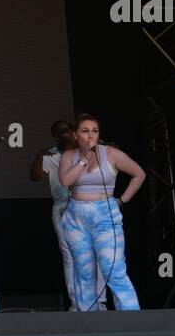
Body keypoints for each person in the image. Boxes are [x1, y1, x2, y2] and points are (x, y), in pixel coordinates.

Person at [57, 113, 146, 310]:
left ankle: (134, 322)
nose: (91, 136)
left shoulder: (111, 154)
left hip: (105, 215)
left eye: (94, 131)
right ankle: (90, 323)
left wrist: (123, 200)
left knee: (113, 270)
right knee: (84, 272)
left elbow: (139, 174)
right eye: (85, 131)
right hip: (76, 218)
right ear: (75, 136)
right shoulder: (69, 156)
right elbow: (65, 182)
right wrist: (84, 159)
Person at [29, 118, 85, 309]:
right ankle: (76, 302)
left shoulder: (85, 152)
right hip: (63, 207)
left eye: (69, 129)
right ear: (55, 136)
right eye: (61, 131)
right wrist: (38, 156)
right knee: (69, 255)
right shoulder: (50, 155)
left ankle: (96, 301)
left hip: (87, 206)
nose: (66, 133)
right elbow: (35, 177)